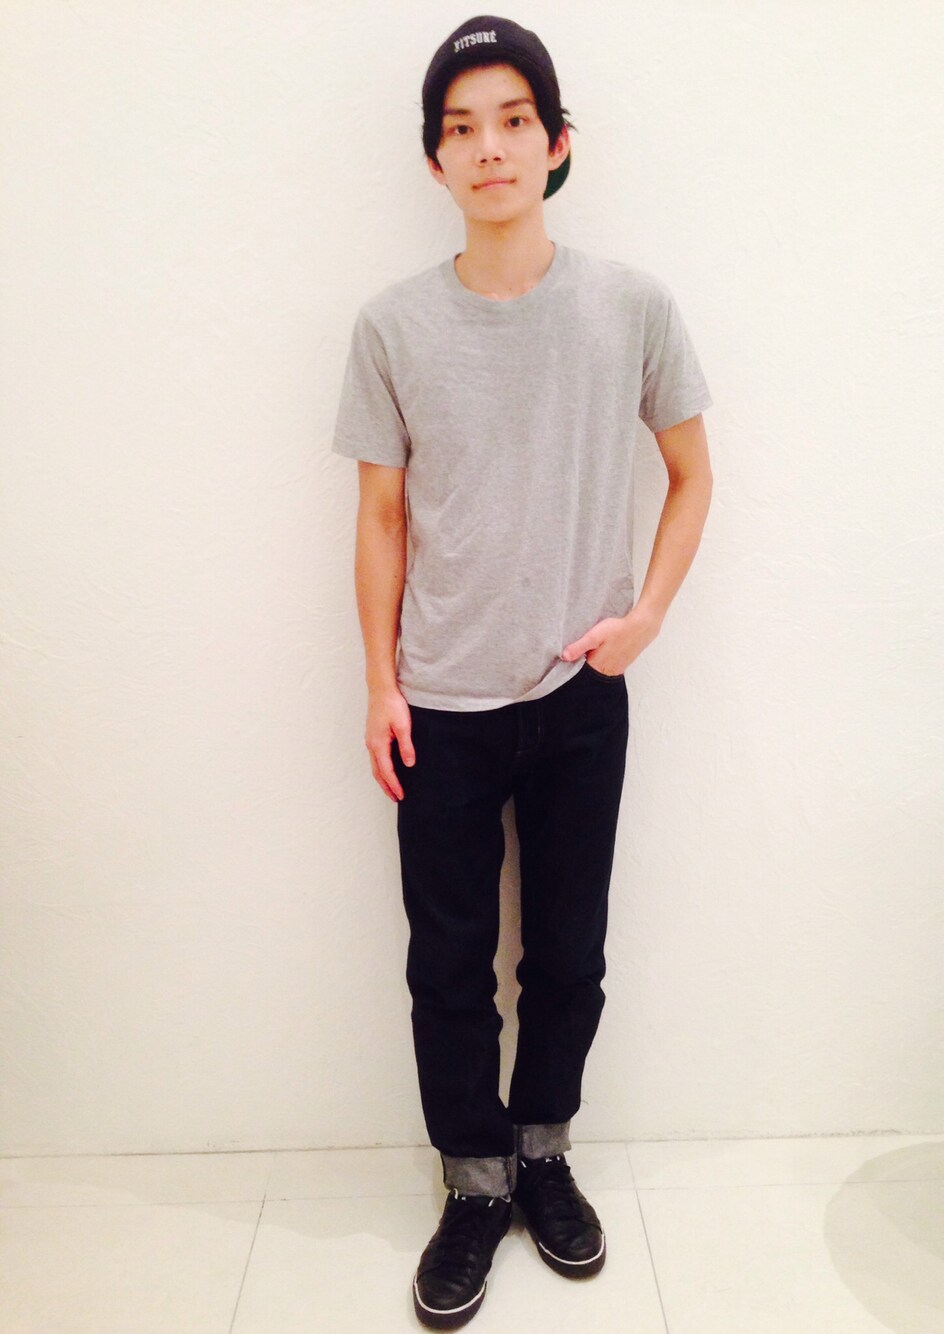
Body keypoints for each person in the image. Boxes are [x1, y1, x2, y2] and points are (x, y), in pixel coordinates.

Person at [331, 15, 714, 1329]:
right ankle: (473, 1181)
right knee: (446, 963)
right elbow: (380, 517)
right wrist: (379, 682)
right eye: (461, 128)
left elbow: (693, 473)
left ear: (555, 145)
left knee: (568, 948)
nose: (488, 147)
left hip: (577, 694)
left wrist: (643, 618)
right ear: (434, 159)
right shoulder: (392, 324)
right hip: (438, 700)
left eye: (512, 121)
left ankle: (543, 1152)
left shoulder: (630, 306)